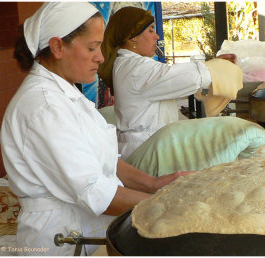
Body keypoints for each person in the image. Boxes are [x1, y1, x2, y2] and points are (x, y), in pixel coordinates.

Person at [0, 2, 189, 256]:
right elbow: (95, 192)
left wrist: (154, 184)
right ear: (57, 47)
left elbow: (106, 161)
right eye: (92, 47)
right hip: (58, 240)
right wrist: (165, 203)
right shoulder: (43, 107)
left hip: (86, 231)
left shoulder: (70, 96)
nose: (100, 57)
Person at [98, 6, 239, 161]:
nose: (157, 36)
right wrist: (215, 67)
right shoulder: (137, 69)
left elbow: (170, 78)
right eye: (151, 30)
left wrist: (212, 66)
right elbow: (178, 78)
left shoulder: (128, 64)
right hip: (146, 151)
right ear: (133, 36)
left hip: (145, 148)